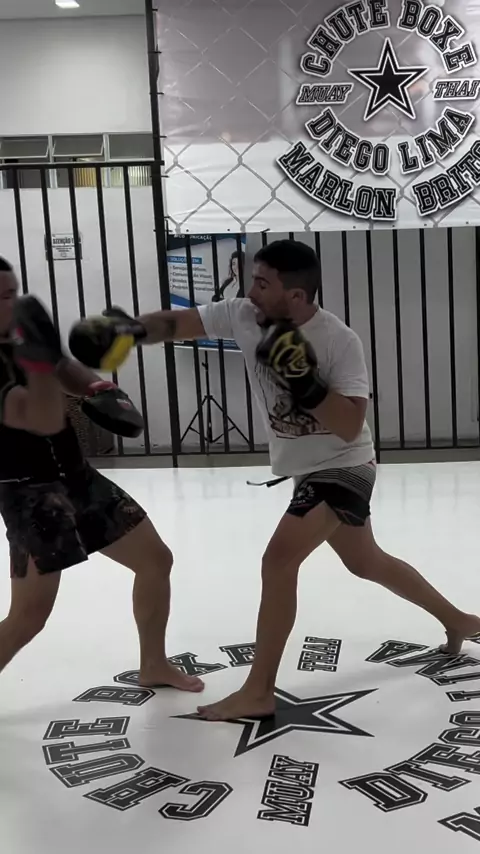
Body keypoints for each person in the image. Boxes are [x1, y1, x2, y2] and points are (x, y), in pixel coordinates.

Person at [69, 239, 480, 721]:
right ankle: (459, 620)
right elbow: (180, 323)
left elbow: (350, 425)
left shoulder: (338, 340)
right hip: (307, 470)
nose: (251, 291)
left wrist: (305, 382)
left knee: (278, 562)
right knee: (366, 561)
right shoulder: (244, 314)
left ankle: (259, 691)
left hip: (345, 466)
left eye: (263, 284)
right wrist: (132, 330)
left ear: (296, 296)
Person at [0, 257, 203, 694]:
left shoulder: (19, 330)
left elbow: (62, 367)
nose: (10, 303)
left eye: (12, 292)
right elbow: (39, 417)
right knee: (28, 617)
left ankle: (154, 664)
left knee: (155, 560)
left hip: (78, 477)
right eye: (1, 297)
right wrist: (40, 367)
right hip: (32, 498)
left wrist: (97, 387)